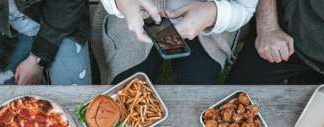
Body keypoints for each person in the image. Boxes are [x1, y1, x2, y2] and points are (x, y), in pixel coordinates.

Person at [98, 0, 257, 84]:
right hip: (133, 16)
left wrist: (213, 13)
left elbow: (244, 7)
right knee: (128, 92)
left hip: (209, 26)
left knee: (196, 92)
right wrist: (122, 2)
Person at [0, 0, 91, 86]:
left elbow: (67, 4)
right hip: (0, 35)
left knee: (74, 93)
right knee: (2, 104)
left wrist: (38, 59)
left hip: (61, 24)